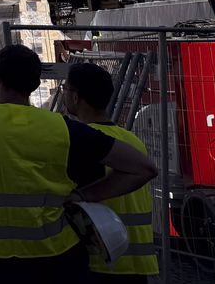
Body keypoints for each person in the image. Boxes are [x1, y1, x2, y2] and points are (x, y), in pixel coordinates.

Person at [0, 45, 157, 284]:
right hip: (60, 260)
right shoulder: (64, 128)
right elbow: (144, 168)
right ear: (36, 84)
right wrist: (84, 195)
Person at [64, 62, 159, 283]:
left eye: (65, 89)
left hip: (102, 261)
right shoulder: (131, 141)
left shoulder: (82, 143)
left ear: (76, 97)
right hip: (138, 262)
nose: (64, 93)